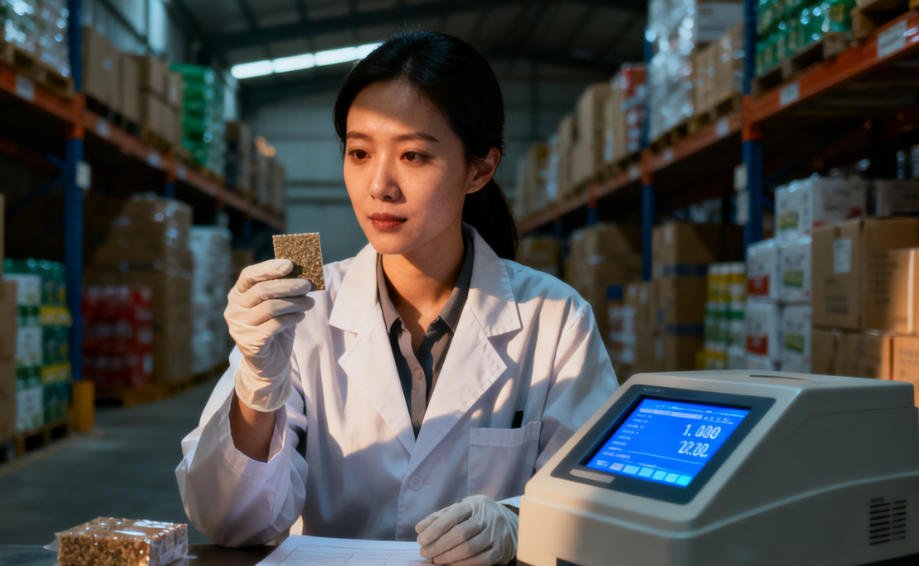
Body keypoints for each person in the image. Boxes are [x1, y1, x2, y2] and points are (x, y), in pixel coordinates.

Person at [176, 31, 618, 565]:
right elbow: (229, 523)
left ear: (479, 169)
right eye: (359, 152)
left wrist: (519, 521)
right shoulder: (304, 311)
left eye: (412, 155)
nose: (379, 185)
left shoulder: (555, 318)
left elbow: (598, 498)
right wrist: (257, 382)